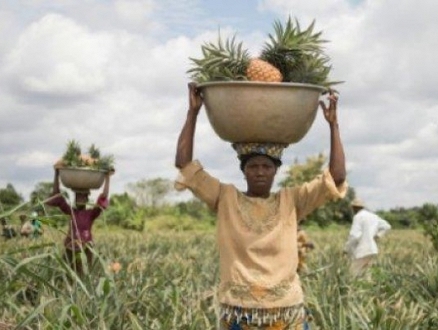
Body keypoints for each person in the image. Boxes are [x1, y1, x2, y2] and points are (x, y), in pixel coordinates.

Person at [174, 83, 347, 330]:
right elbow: (184, 164)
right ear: (243, 171)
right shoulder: (226, 198)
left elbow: (337, 177)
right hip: (238, 314)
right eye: (253, 166)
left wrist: (333, 125)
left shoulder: (292, 200)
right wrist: (193, 113)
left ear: (276, 171)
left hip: (286, 313)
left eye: (267, 167)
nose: (260, 173)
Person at [46, 168, 111, 276]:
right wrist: (56, 174)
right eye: (77, 196)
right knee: (68, 273)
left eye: (83, 196)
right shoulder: (71, 211)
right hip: (70, 247)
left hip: (86, 248)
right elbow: (56, 194)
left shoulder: (91, 213)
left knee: (85, 274)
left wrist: (107, 177)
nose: (80, 198)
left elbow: (104, 196)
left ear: (87, 199)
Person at [344, 198, 391, 277]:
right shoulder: (373, 216)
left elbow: (354, 235)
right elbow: (387, 226)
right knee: (367, 274)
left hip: (362, 250)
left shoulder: (358, 217)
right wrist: (377, 236)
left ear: (354, 207)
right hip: (372, 250)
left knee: (353, 274)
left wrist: (346, 248)